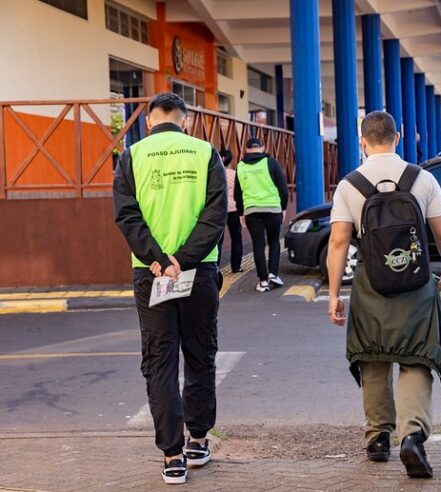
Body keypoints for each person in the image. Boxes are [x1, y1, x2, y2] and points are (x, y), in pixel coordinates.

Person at [327, 111, 441, 479]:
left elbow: (339, 242)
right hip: (416, 283)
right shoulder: (423, 179)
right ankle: (413, 436)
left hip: (370, 283)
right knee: (417, 358)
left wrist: (334, 294)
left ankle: (378, 439)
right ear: (398, 137)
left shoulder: (349, 185)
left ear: (362, 141)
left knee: (373, 357)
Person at [113, 92, 227, 484]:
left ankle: (172, 457)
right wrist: (184, 260)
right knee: (200, 354)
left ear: (148, 121)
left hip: (152, 275)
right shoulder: (204, 152)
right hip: (198, 272)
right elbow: (215, 216)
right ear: (185, 120)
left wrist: (159, 260)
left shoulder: (132, 156)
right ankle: (197, 440)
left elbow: (127, 217)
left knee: (160, 360)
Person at [234, 138, 289, 292]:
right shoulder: (271, 163)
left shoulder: (241, 166)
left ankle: (263, 280)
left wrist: (240, 213)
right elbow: (283, 188)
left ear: (246, 149)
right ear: (263, 147)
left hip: (251, 210)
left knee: (258, 244)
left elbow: (238, 194)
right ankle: (273, 273)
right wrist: (283, 208)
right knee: (274, 241)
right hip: (273, 208)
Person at [217, 149, 244, 272]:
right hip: (234, 209)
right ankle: (236, 266)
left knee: (217, 240)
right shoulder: (234, 174)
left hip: (219, 209)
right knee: (236, 238)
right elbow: (240, 192)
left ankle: (216, 266)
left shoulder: (214, 173)